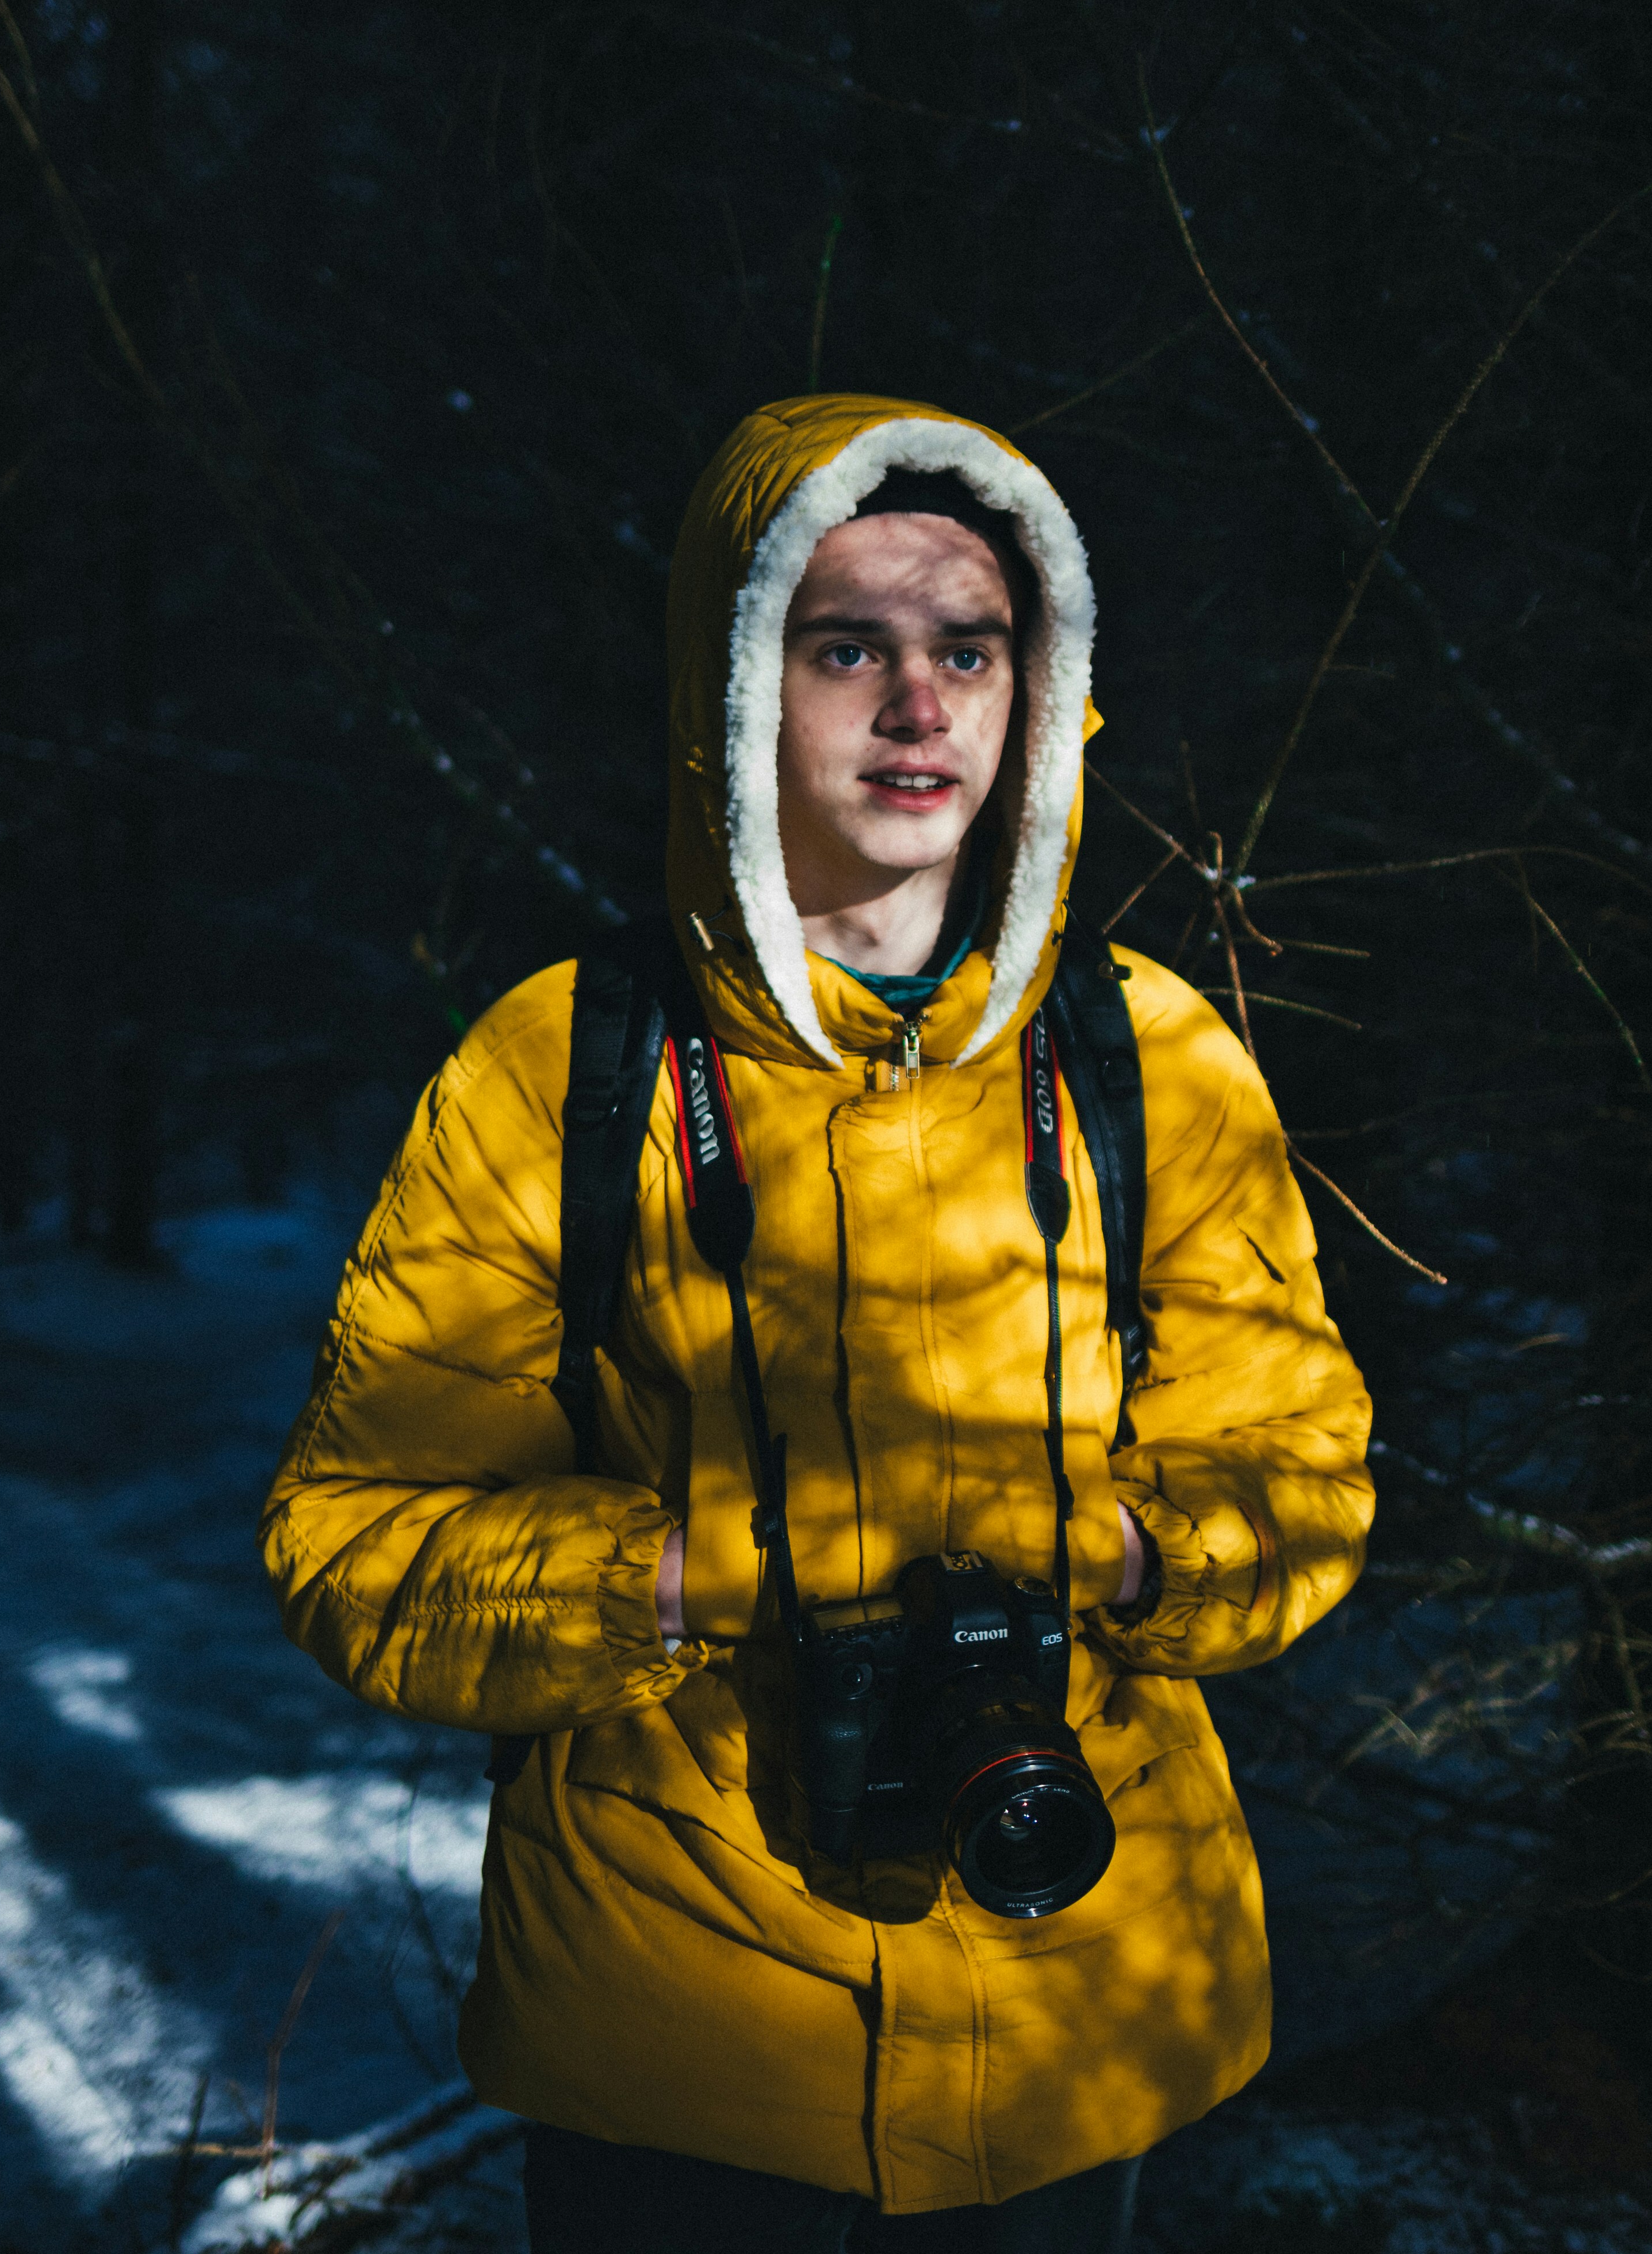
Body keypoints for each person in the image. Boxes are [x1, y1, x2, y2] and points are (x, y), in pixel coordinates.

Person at [261, 393, 1373, 2249]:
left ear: (1043, 694)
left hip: (1083, 1988)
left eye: (971, 648)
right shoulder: (560, 1069)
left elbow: (1304, 1479)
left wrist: (1099, 1548)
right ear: (731, 693)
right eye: (846, 645)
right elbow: (355, 1546)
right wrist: (698, 1574)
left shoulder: (1153, 1061)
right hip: (680, 2034)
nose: (918, 706)